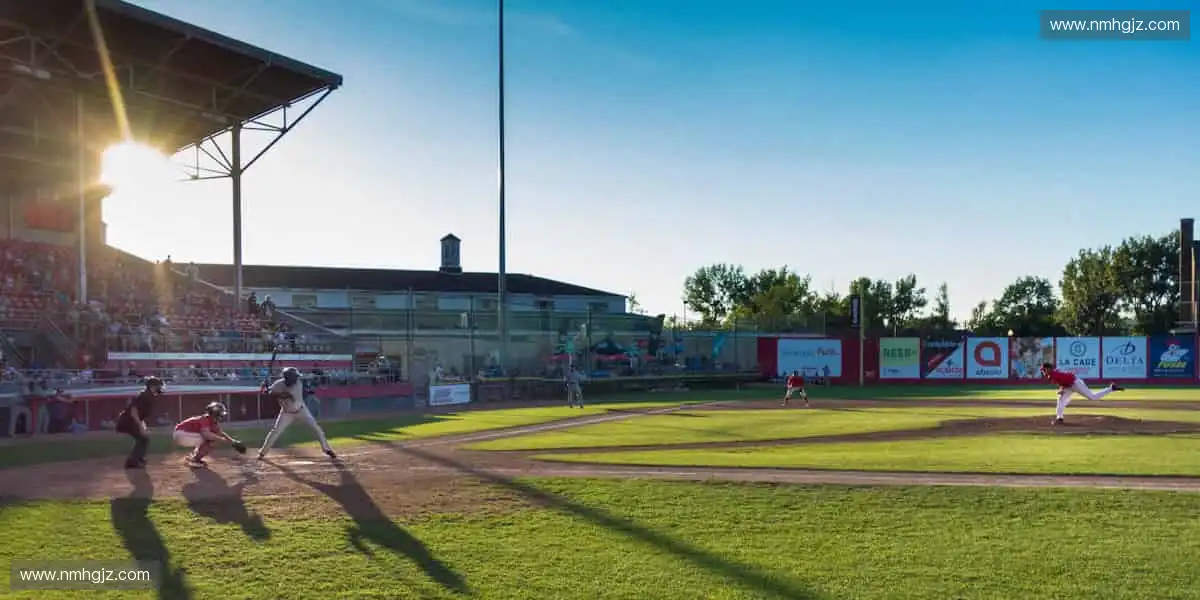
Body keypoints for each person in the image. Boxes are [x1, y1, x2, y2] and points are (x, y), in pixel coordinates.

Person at [257, 367, 336, 460]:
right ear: (289, 378)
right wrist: (264, 389)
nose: (297, 378)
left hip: (302, 411)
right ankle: (262, 452)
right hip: (286, 413)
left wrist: (269, 391)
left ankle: (327, 449)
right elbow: (269, 391)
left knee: (316, 429)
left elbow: (286, 395)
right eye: (295, 377)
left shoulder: (298, 384)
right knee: (276, 431)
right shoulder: (279, 384)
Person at [1041, 362, 1124, 425]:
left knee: (1092, 397)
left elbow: (1064, 380)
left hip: (1076, 383)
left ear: (1048, 369)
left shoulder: (1053, 374)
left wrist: (1061, 389)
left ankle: (1111, 388)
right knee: (1060, 400)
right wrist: (1062, 389)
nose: (1043, 372)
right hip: (1069, 386)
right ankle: (1059, 418)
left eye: (1044, 370)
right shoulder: (1053, 374)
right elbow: (1063, 381)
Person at [174, 402, 243, 468]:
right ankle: (194, 460)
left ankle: (193, 457)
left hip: (185, 435)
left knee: (213, 437)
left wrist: (233, 442)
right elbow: (207, 435)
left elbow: (221, 433)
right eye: (220, 415)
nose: (222, 417)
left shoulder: (212, 421)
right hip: (182, 434)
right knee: (211, 439)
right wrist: (221, 439)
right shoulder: (205, 419)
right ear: (215, 414)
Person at [115, 376, 164, 469]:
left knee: (144, 438)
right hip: (128, 421)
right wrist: (140, 427)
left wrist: (143, 427)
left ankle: (137, 459)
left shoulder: (148, 396)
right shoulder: (144, 396)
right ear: (152, 386)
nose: (160, 388)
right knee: (142, 438)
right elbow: (134, 412)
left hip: (130, 421)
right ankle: (133, 461)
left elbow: (141, 416)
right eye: (158, 386)